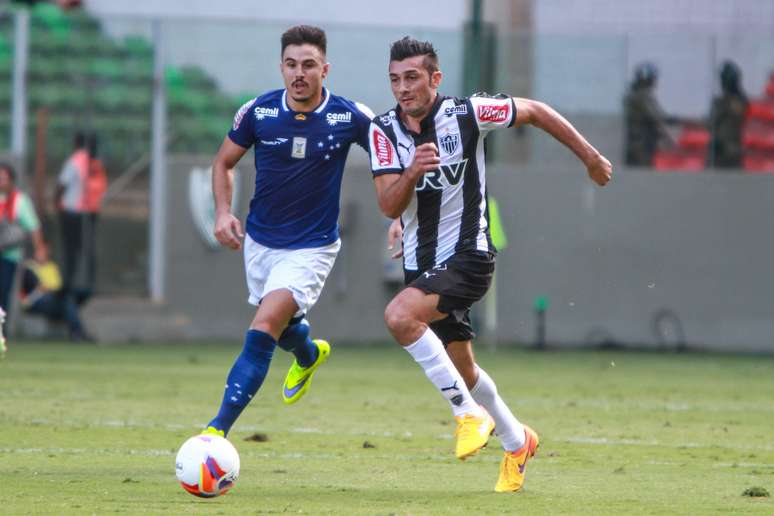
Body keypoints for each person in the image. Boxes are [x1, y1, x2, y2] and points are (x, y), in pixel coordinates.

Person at [369, 37, 612, 492]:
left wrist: (591, 158)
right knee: (463, 368)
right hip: (422, 265)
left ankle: (467, 415)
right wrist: (411, 175)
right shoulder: (383, 130)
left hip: (469, 255)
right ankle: (518, 440)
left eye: (413, 78)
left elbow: (536, 111)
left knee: (399, 316)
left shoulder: (469, 113)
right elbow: (387, 204)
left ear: (435, 79)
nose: (403, 88)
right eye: (395, 79)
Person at [203, 25, 373, 437]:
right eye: (291, 65)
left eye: (309, 65)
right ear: (281, 67)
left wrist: (401, 220)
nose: (299, 73)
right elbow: (223, 163)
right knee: (282, 328)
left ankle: (215, 431)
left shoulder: (350, 116)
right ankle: (309, 353)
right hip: (260, 242)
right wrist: (223, 212)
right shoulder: (257, 112)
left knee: (263, 329)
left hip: (312, 248)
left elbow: (392, 163)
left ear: (325, 69)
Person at [0, 162, 48, 352]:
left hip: (9, 255)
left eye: (4, 177)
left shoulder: (20, 201)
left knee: (2, 295)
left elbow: (33, 226)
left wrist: (40, 248)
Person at [55, 132, 107, 308]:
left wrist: (57, 203)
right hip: (90, 211)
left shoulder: (76, 160)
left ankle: (69, 284)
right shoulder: (96, 163)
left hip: (73, 211)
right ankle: (87, 283)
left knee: (71, 250)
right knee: (87, 248)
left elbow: (62, 184)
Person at [20, 259, 93, 341]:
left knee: (71, 297)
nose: (42, 253)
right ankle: (77, 332)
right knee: (68, 300)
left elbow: (57, 286)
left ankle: (77, 332)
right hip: (36, 301)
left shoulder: (52, 267)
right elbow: (31, 291)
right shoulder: (29, 267)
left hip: (54, 297)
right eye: (40, 249)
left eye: (44, 249)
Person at [623, 62, 674, 166]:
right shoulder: (643, 96)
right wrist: (668, 139)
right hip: (641, 144)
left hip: (637, 143)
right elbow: (655, 118)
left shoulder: (634, 95)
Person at [709, 60, 748, 168]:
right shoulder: (740, 101)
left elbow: (710, 123)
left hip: (724, 151)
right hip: (727, 150)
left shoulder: (723, 102)